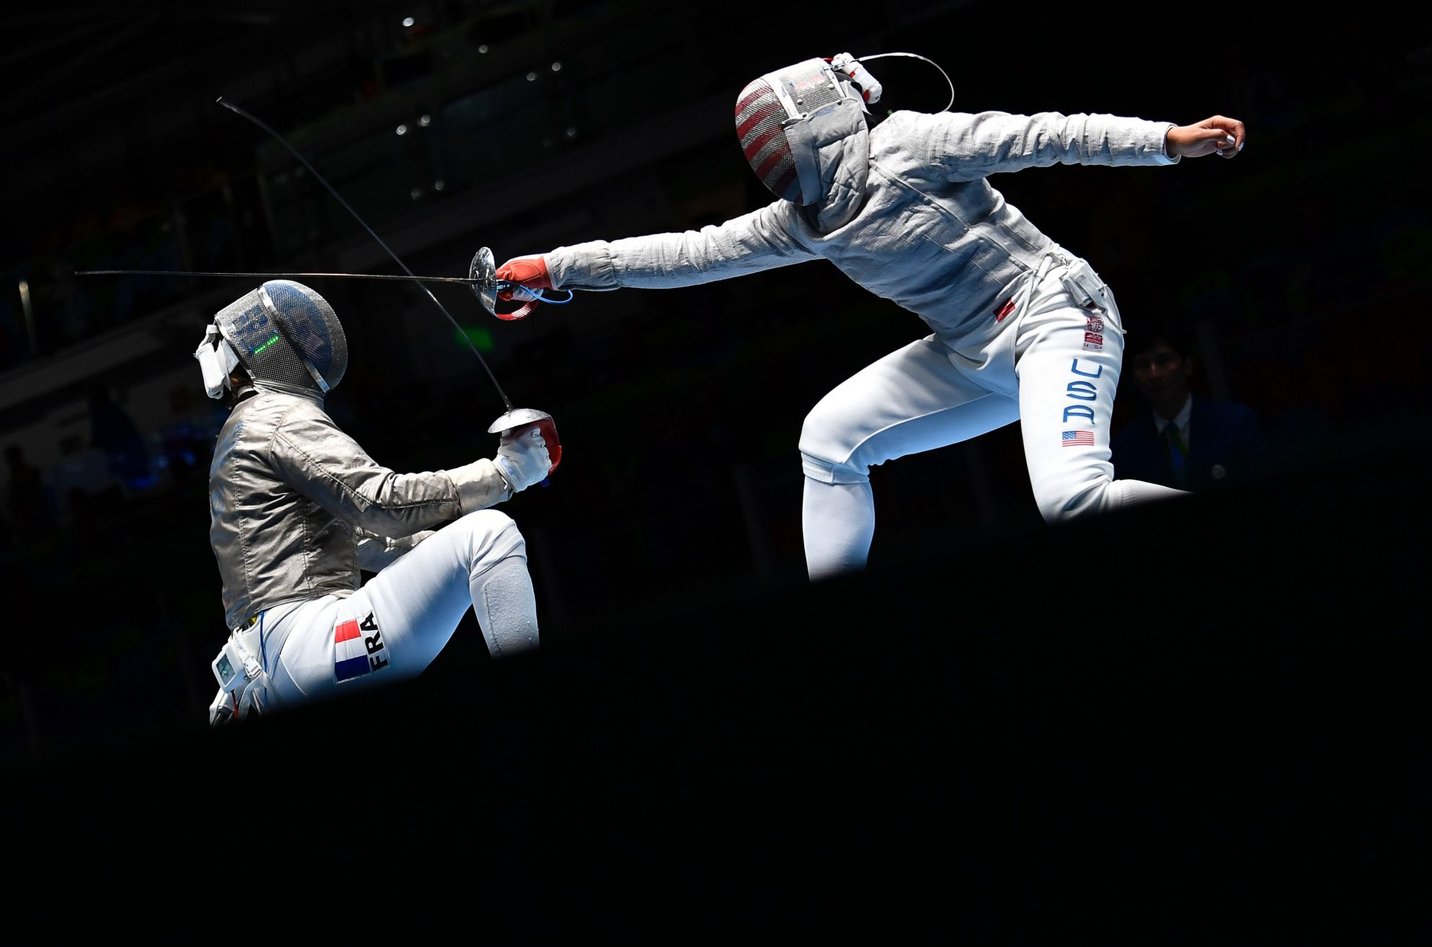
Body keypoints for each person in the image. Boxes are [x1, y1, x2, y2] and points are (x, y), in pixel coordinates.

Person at [495, 52, 1247, 579]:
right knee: (828, 441)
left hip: (1058, 315)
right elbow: (680, 256)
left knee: (1073, 499)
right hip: (973, 354)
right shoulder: (803, 219)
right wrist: (557, 268)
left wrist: (1166, 143)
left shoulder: (909, 145)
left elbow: (1046, 135)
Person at [192, 279, 557, 724]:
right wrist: (504, 474)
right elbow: (381, 504)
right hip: (309, 644)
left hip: (269, 673)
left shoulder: (241, 433)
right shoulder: (278, 417)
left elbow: (362, 540)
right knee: (488, 535)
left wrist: (437, 554)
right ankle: (537, 706)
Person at [1110, 320, 1266, 492]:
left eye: (1164, 361)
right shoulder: (1126, 446)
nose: (1154, 374)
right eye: (1143, 365)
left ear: (1187, 365)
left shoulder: (1236, 424)